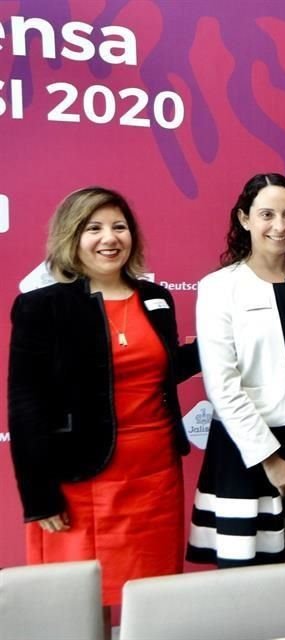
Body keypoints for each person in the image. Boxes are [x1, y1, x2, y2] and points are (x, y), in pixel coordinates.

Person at [7, 187, 199, 609]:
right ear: (71, 237)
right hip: (80, 480)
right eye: (94, 228)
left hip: (156, 479)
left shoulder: (156, 298)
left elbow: (162, 370)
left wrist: (217, 346)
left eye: (119, 227)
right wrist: (38, 496)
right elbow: (26, 405)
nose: (109, 238)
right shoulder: (43, 306)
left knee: (151, 597)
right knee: (78, 602)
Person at [186, 173, 285, 567]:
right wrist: (270, 460)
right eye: (267, 214)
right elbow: (222, 384)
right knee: (246, 579)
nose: (280, 225)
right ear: (244, 219)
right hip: (247, 452)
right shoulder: (219, 288)